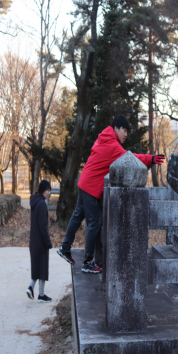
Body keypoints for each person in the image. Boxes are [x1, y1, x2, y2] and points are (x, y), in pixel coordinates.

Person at [57, 114, 166, 273]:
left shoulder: (103, 138)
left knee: (77, 216)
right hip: (91, 187)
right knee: (94, 223)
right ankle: (87, 262)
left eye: (127, 131)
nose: (126, 134)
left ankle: (65, 248)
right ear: (116, 128)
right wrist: (151, 159)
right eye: (124, 130)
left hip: (84, 182)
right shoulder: (113, 146)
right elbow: (130, 159)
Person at [27, 180, 53, 303]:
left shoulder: (35, 201)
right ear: (43, 190)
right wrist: (48, 242)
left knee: (38, 266)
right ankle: (41, 295)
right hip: (41, 241)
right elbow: (43, 226)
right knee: (42, 267)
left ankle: (31, 287)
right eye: (47, 190)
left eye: (50, 191)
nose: (49, 193)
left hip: (34, 240)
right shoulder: (42, 204)